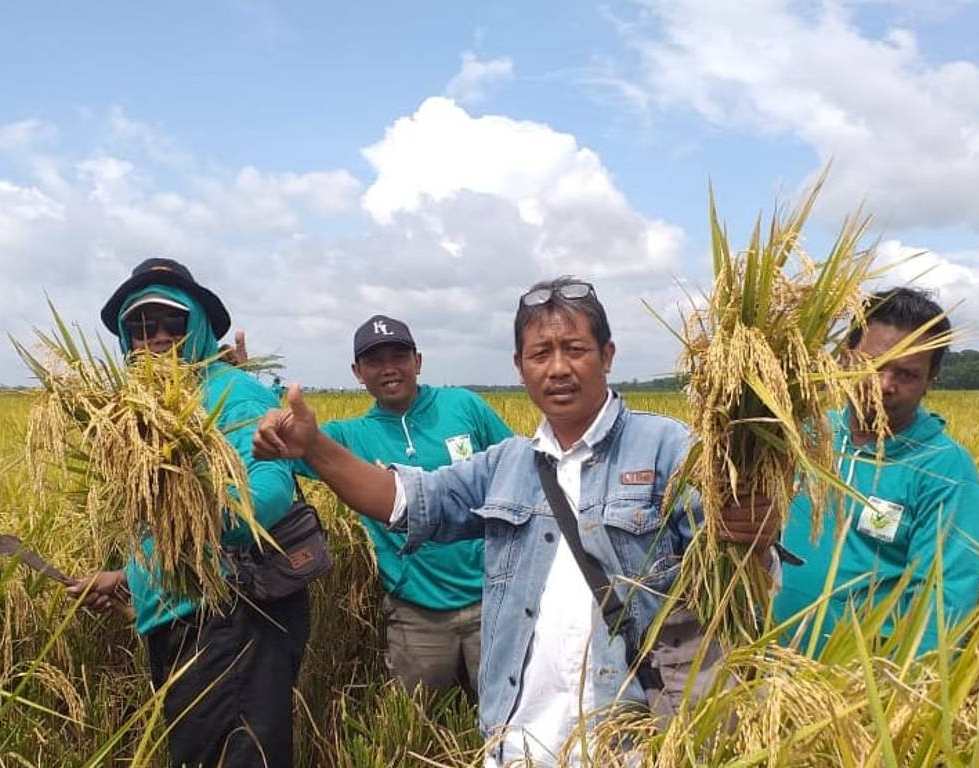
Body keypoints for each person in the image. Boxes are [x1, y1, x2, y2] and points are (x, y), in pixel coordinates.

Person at [253, 277, 778, 766]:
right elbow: (409, 500)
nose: (557, 368)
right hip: (520, 743)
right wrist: (316, 448)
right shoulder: (506, 464)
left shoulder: (670, 448)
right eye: (540, 353)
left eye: (574, 349)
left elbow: (735, 578)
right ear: (520, 366)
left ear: (607, 355)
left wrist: (754, 531)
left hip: (631, 744)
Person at [67, 258, 306, 768]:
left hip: (234, 619)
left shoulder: (230, 391)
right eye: (139, 325)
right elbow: (163, 533)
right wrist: (128, 577)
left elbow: (267, 495)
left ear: (196, 326)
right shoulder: (146, 412)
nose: (154, 337)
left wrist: (190, 514)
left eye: (171, 323)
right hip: (179, 620)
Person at [303, 314, 512, 697]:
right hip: (417, 612)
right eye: (374, 361)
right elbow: (287, 440)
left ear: (417, 361)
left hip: (492, 600)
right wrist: (242, 383)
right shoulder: (350, 436)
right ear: (357, 372)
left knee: (507, 714)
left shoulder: (463, 406)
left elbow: (519, 467)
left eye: (398, 356)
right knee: (419, 722)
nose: (388, 369)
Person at [774, 287, 979, 655]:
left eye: (907, 375)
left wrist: (895, 700)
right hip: (766, 664)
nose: (885, 385)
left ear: (929, 381)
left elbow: (941, 605)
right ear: (843, 361)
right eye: (873, 364)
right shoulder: (804, 436)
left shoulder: (945, 469)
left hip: (857, 689)